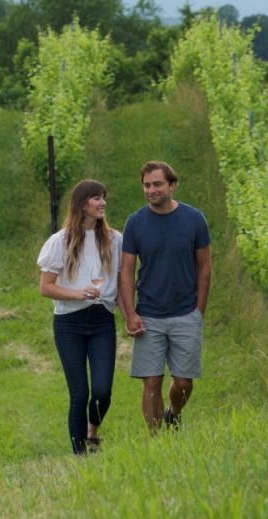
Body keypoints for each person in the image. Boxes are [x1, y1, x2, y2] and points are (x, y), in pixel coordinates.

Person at [119, 161, 211, 433]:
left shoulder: (194, 219)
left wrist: (199, 310)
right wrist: (130, 314)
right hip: (149, 314)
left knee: (183, 383)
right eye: (147, 185)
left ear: (172, 186)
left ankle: (175, 412)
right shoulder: (135, 223)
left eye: (157, 184)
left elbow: (204, 267)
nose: (151, 190)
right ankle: (156, 439)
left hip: (186, 312)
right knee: (152, 381)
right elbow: (126, 270)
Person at [37, 179, 123, 455]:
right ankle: (80, 454)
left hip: (102, 322)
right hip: (69, 324)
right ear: (82, 203)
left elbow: (120, 283)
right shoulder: (59, 242)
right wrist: (77, 294)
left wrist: (131, 314)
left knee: (102, 391)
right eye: (96, 198)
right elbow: (45, 287)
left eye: (104, 198)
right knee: (79, 394)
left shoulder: (115, 240)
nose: (103, 203)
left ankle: (92, 431)